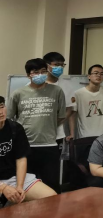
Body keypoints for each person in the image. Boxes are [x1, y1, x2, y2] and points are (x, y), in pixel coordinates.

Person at [7, 59, 67, 194]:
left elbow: (61, 116)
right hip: (25, 146)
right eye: (36, 72)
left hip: (49, 145)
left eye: (43, 71)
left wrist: (46, 125)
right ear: (28, 75)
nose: (40, 74)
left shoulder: (57, 91)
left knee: (52, 185)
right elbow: (10, 119)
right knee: (25, 187)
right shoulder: (18, 93)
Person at [0, 96, 56, 205]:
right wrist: (3, 188)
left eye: (2, 107)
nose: (0, 112)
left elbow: (21, 158)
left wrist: (20, 186)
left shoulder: (15, 128)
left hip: (13, 176)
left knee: (51, 198)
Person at [70, 64, 103, 139]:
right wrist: (72, 134)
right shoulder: (78, 94)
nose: (99, 75)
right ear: (89, 76)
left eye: (102, 74)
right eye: (96, 73)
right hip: (84, 135)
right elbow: (72, 115)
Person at [43, 52, 75, 147]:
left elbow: (69, 109)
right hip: (36, 133)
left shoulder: (66, 86)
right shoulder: (36, 84)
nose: (60, 68)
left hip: (57, 134)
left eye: (62, 65)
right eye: (56, 65)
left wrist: (55, 123)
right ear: (46, 66)